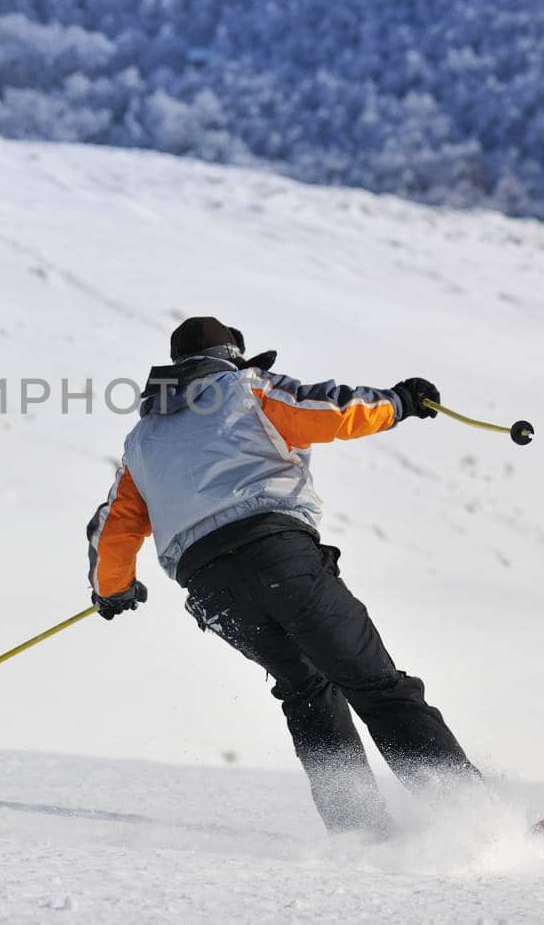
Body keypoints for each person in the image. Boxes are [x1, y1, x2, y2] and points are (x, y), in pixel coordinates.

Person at [85, 316, 478, 836]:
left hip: (210, 590)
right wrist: (402, 402)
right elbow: (331, 412)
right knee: (374, 683)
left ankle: (361, 832)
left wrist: (112, 590)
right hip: (277, 555)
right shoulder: (245, 389)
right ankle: (475, 821)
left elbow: (114, 528)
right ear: (232, 355)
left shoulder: (140, 440)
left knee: (307, 691)